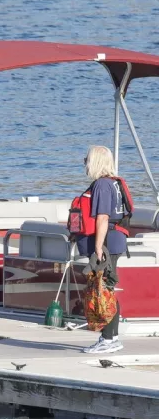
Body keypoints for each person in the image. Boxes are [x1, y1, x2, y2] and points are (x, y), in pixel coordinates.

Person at [76, 145, 129, 354]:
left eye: (87, 158)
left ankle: (108, 339)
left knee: (103, 290)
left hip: (107, 242)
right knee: (107, 289)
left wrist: (98, 247)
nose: (85, 162)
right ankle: (112, 337)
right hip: (114, 240)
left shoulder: (102, 185)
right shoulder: (114, 183)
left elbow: (103, 217)